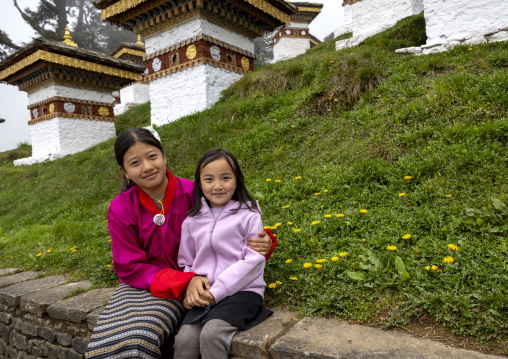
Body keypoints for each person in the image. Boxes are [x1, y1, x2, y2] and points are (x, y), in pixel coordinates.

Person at [85, 128, 276, 359]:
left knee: (154, 335)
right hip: (149, 284)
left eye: (152, 156)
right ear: (123, 171)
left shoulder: (193, 192)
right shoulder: (121, 207)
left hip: (201, 285)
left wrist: (266, 240)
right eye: (135, 163)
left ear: (164, 156)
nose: (147, 166)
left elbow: (231, 218)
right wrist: (184, 280)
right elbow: (129, 266)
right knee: (127, 338)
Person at [173, 148, 272, 359]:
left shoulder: (249, 215)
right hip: (205, 293)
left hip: (243, 291)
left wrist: (217, 292)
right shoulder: (191, 221)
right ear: (199, 184)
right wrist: (190, 289)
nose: (217, 186)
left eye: (225, 178)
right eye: (209, 179)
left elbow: (253, 260)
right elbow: (186, 261)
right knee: (185, 339)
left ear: (237, 181)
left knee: (212, 333)